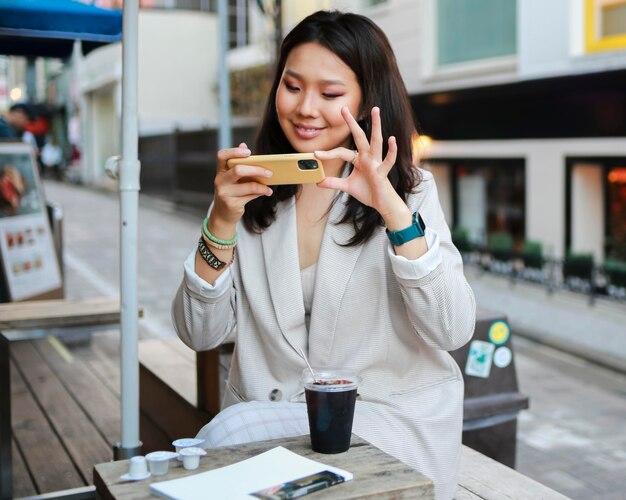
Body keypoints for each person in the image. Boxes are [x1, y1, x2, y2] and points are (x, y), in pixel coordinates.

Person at [172, 10, 475, 500]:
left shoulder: (410, 194)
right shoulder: (253, 191)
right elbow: (198, 332)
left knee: (227, 434)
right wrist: (220, 222)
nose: (306, 108)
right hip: (275, 425)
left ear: (367, 99)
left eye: (330, 94)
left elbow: (453, 329)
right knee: (231, 435)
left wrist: (393, 213)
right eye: (292, 86)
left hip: (389, 426)